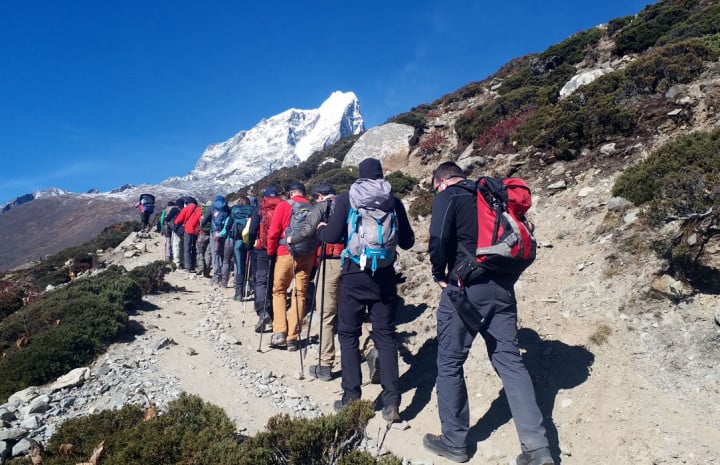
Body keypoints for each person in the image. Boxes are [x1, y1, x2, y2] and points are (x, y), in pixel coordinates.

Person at [423, 162, 552, 465]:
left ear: (441, 181)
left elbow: (439, 239)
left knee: (450, 362)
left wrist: (437, 271)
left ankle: (455, 443)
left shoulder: (449, 196)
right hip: (502, 287)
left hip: (464, 289)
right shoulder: (491, 195)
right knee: (510, 361)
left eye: (434, 188)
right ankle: (537, 448)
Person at [316, 157, 415, 422]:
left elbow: (333, 236)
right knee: (385, 336)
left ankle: (351, 399)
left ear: (360, 175)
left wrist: (321, 229)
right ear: (381, 175)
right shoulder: (393, 200)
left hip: (353, 276)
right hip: (384, 277)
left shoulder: (347, 197)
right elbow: (407, 241)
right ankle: (392, 403)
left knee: (348, 335)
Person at [285, 181, 343, 380]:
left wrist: (292, 239)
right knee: (353, 310)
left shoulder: (322, 207)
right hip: (354, 263)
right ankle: (370, 349)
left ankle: (325, 364)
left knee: (326, 313)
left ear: (319, 196)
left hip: (331, 260)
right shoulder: (349, 204)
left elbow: (308, 230)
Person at [266, 181, 316, 352]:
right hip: (307, 255)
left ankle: (279, 331)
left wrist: (271, 252)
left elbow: (273, 232)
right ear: (304, 193)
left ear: (290, 193)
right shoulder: (313, 207)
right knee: (300, 294)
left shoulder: (284, 206)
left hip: (285, 252)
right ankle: (292, 338)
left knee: (279, 291)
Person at [247, 187, 282, 333]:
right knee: (274, 281)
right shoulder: (283, 207)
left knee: (261, 281)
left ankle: (263, 312)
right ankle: (275, 314)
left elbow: (252, 230)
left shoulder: (260, 210)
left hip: (262, 249)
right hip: (279, 249)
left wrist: (249, 246)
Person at [202, 195, 231, 285]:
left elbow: (204, 221)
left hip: (214, 233)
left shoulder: (212, 208)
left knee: (215, 253)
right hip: (224, 233)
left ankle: (216, 276)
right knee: (222, 254)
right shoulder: (227, 208)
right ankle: (223, 275)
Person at [174, 196, 201, 272]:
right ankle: (194, 264)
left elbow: (178, 220)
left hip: (188, 230)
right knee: (194, 248)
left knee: (187, 248)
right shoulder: (199, 209)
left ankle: (188, 267)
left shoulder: (186, 209)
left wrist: (176, 225)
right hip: (196, 231)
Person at [166, 197, 186, 269]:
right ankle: (183, 262)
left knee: (176, 246)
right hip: (185, 230)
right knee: (183, 246)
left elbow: (167, 218)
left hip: (177, 229)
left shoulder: (175, 209)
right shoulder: (185, 210)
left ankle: (177, 263)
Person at [196, 201, 213, 278]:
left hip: (202, 234)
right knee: (208, 253)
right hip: (212, 234)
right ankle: (207, 272)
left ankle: (200, 268)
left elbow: (199, 222)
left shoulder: (202, 211)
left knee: (200, 251)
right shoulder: (215, 211)